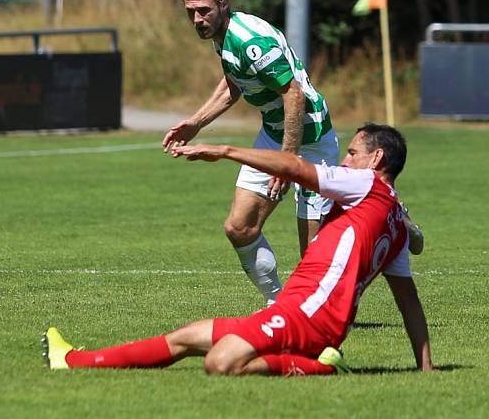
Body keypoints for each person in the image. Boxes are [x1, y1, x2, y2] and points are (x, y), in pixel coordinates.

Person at [43, 124, 433, 376]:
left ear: (376, 159)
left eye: (352, 152)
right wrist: (426, 369)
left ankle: (323, 369)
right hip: (305, 314)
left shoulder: (364, 185)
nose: (345, 160)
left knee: (222, 362)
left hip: (307, 317)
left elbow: (296, 167)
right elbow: (409, 303)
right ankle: (73, 360)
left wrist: (226, 150)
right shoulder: (396, 224)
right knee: (187, 336)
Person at [163, 0, 341, 306]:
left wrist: (285, 163)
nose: (198, 19)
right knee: (239, 227)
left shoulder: (250, 41)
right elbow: (235, 83)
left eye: (204, 11)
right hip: (276, 135)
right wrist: (197, 122)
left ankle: (381, 210)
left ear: (223, 4)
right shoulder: (222, 37)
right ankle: (280, 306)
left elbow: (294, 95)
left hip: (312, 138)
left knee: (312, 255)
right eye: (191, 13)